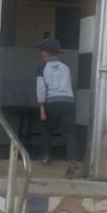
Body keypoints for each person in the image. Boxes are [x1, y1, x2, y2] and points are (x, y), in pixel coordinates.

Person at [36, 38, 78, 166]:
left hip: (53, 102)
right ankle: (72, 159)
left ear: (45, 53)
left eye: (41, 51)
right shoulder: (66, 68)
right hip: (69, 102)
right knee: (69, 132)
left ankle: (46, 156)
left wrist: (42, 108)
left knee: (46, 128)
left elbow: (41, 89)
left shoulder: (42, 68)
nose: (40, 53)